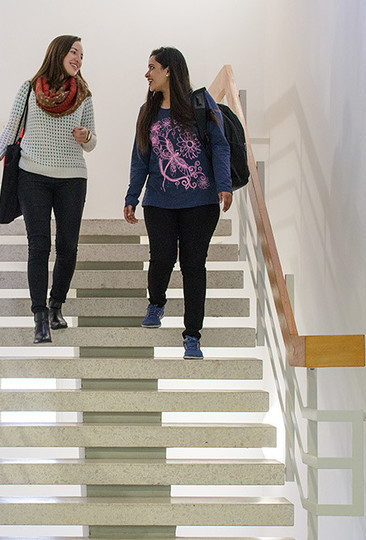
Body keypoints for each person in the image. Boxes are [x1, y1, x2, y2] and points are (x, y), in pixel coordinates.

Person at [0, 35, 97, 344]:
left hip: (72, 178)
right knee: (39, 246)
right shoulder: (28, 89)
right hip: (33, 177)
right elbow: (11, 128)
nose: (79, 58)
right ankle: (39, 317)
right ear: (58, 52)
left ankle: (56, 306)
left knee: (68, 246)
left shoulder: (84, 94)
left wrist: (86, 136)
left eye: (82, 55)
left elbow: (93, 142)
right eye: (74, 51)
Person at [123, 46, 232, 359]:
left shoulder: (201, 102)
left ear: (169, 69)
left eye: (152, 67)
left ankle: (192, 336)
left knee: (193, 266)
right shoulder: (148, 112)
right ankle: (156, 302)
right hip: (158, 201)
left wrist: (224, 184)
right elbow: (140, 158)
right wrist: (132, 195)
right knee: (162, 258)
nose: (147, 74)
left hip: (200, 200)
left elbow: (221, 146)